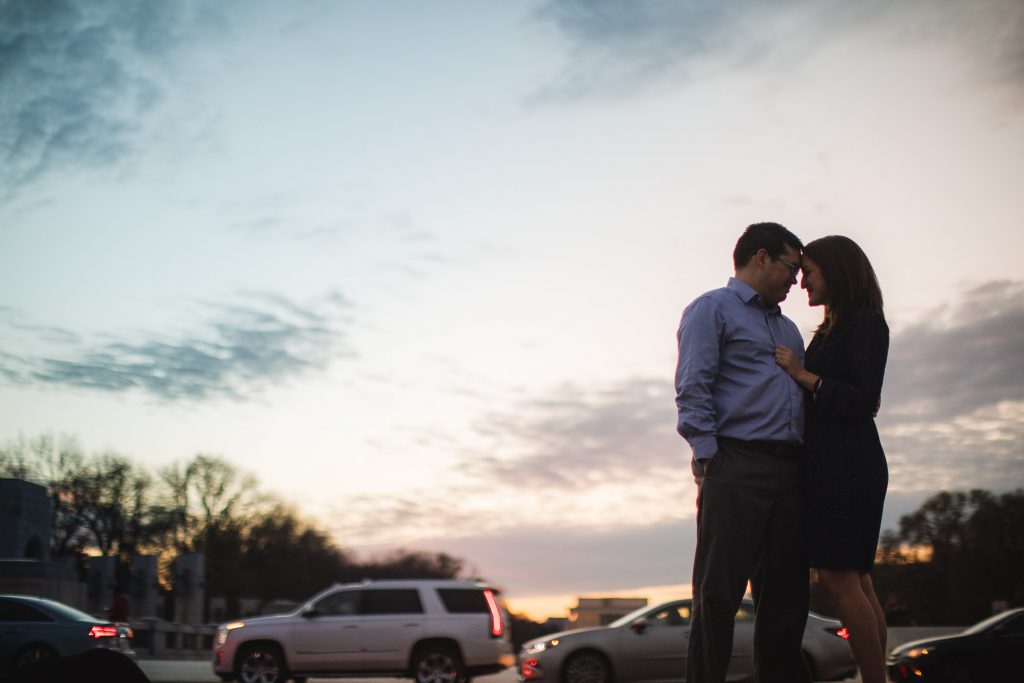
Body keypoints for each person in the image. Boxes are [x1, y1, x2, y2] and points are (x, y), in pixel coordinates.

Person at [675, 222, 811, 683]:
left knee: (786, 600)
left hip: (789, 473)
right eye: (792, 267)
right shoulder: (712, 309)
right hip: (735, 465)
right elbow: (693, 385)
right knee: (718, 596)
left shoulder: (790, 329)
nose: (796, 280)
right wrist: (709, 456)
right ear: (761, 257)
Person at [773, 235, 889, 683]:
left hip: (849, 464)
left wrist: (803, 375)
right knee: (856, 581)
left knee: (842, 581)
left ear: (836, 272)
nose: (802, 282)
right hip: (833, 464)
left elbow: (864, 399)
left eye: (809, 272)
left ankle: (875, 680)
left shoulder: (864, 323)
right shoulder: (832, 326)